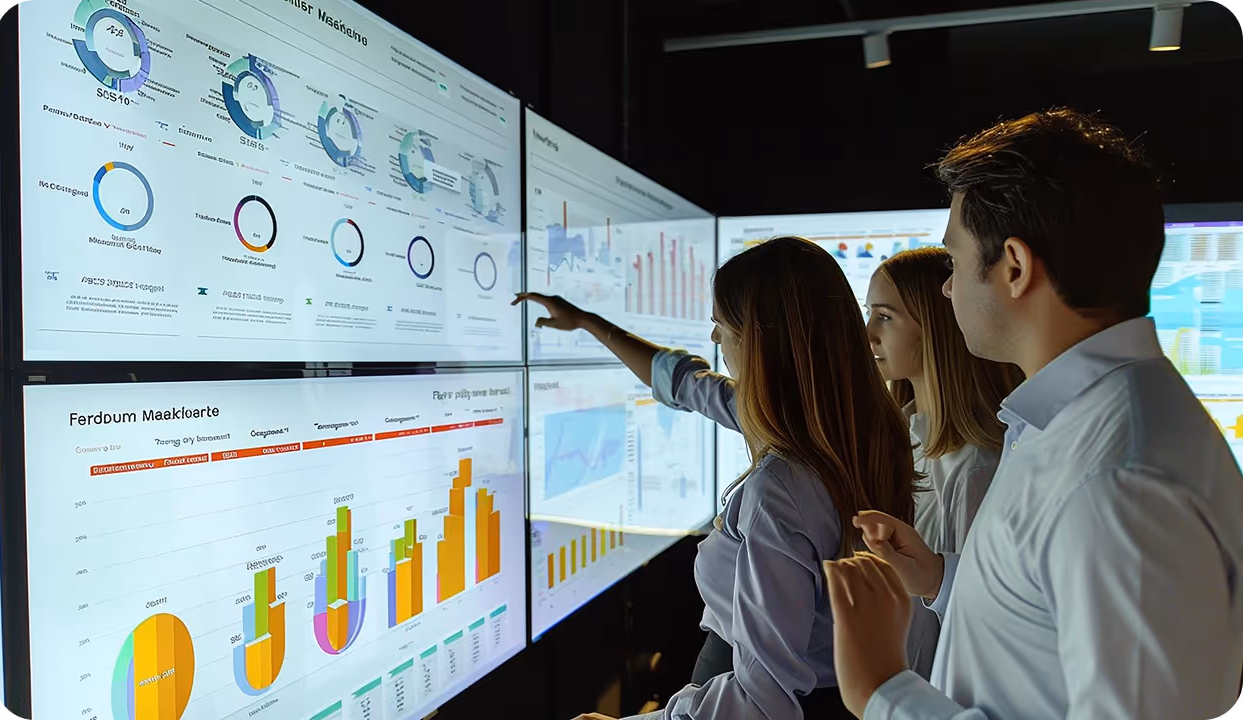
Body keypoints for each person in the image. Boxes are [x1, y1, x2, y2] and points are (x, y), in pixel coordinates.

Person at [824, 108, 1243, 720]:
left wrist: (884, 692)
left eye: (956, 261)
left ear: (1014, 267)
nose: (947, 290)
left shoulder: (1114, 478)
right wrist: (942, 578)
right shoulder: (1071, 422)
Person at [515, 236, 920, 720]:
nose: (714, 340)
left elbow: (762, 699)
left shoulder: (781, 487)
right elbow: (686, 383)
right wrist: (586, 321)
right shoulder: (864, 426)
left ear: (762, 342)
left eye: (721, 325)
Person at [864, 247, 1023, 679]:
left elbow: (975, 620)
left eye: (884, 317)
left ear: (934, 327)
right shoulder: (903, 436)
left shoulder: (974, 467)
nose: (868, 334)